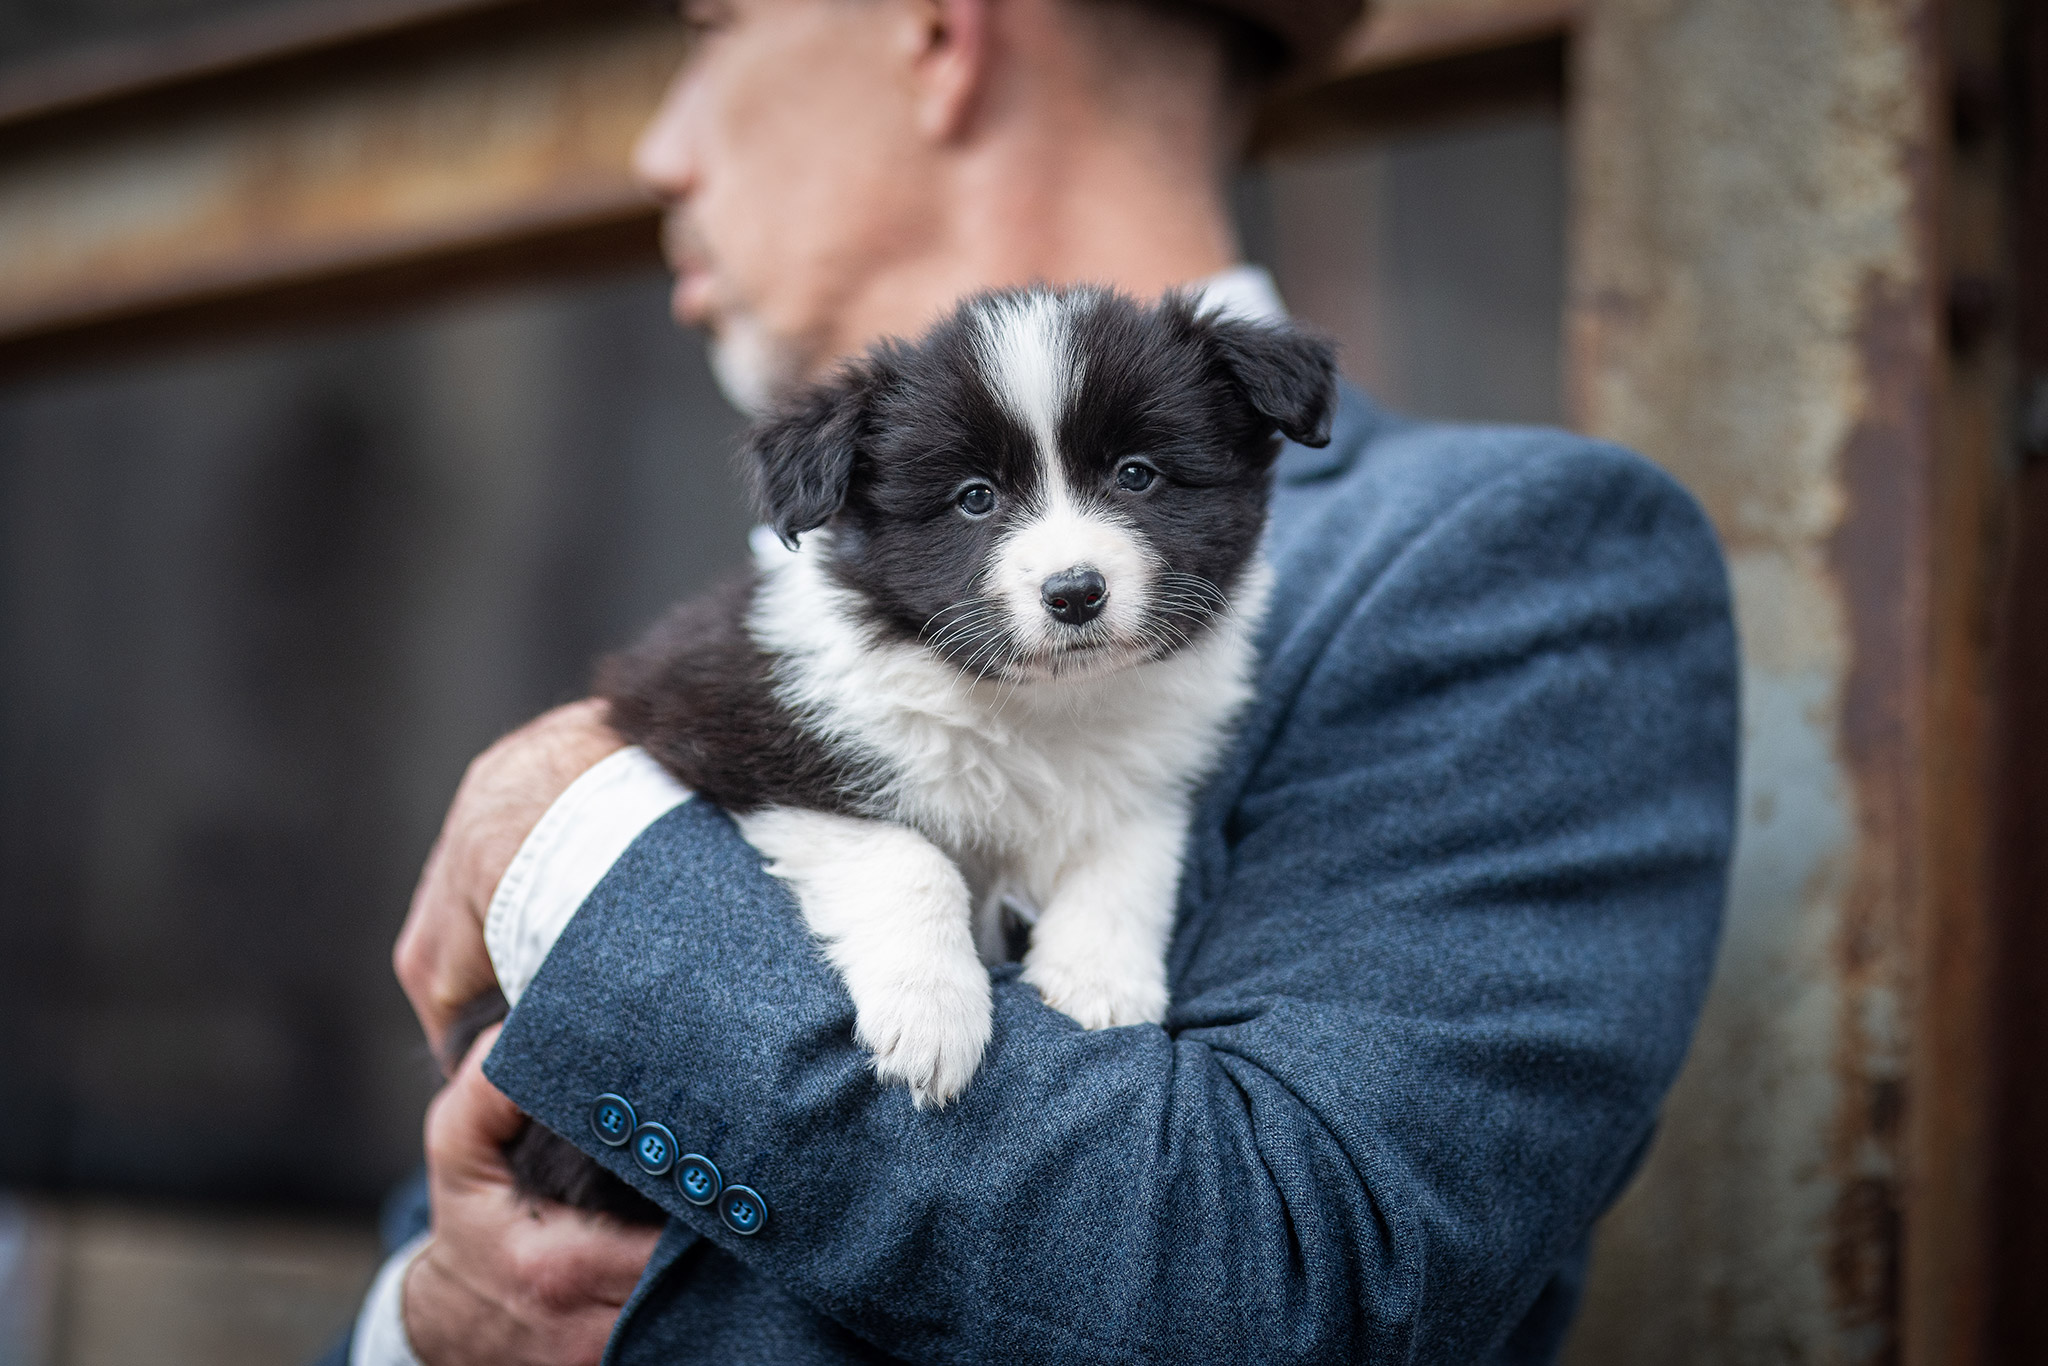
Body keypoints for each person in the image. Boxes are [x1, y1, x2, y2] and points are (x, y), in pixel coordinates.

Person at [338, 0, 1740, 1359]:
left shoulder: (1516, 561)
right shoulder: (822, 568)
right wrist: (417, 1322)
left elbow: (1279, 1296)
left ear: (938, 36)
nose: (659, 149)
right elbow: (466, 1206)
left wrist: (576, 833)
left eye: (711, 33)